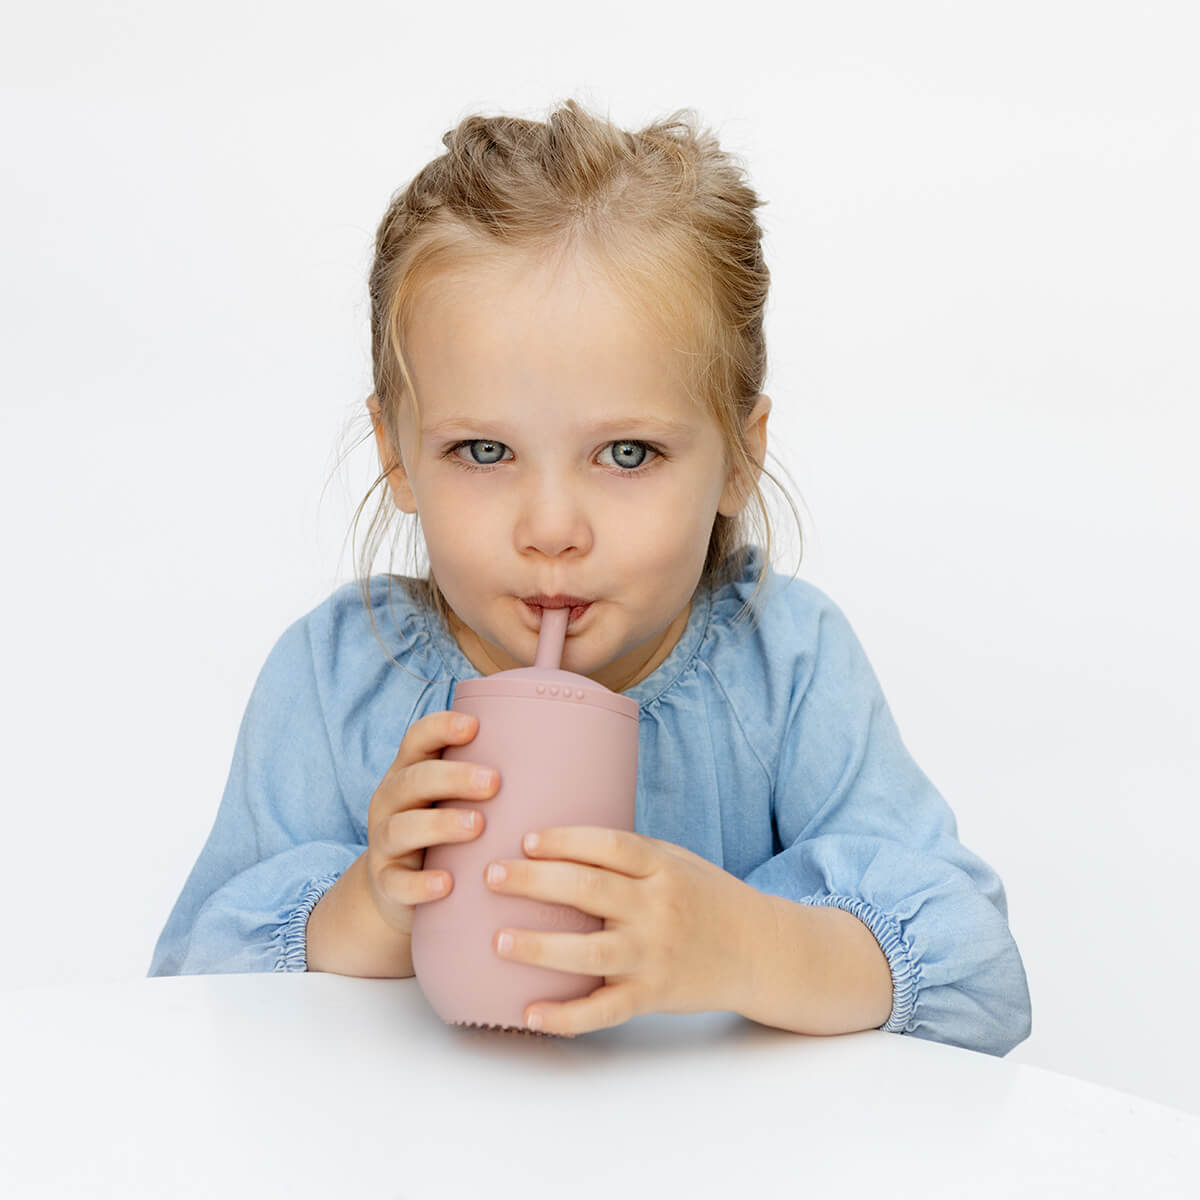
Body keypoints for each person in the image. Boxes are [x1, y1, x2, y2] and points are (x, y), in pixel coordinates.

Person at [148, 98, 1031, 1055]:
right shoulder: (337, 678)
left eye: (627, 454)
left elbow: (980, 979)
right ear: (396, 454)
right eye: (484, 451)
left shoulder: (786, 666)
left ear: (740, 456)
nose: (552, 530)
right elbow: (187, 1001)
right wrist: (366, 910)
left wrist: (744, 946)